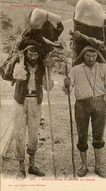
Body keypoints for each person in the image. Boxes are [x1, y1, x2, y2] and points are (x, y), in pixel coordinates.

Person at [63, 46, 106, 178]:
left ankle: (98, 166)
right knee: (82, 135)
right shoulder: (75, 70)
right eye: (88, 56)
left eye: (94, 56)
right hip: (81, 105)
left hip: (100, 104)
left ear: (97, 55)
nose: (91, 59)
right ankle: (84, 166)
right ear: (83, 55)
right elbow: (67, 90)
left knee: (98, 136)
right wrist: (66, 84)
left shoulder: (104, 68)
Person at [9, 44, 54, 179]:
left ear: (39, 55)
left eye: (35, 54)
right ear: (26, 54)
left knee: (33, 134)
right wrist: (22, 59)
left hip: (35, 101)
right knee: (19, 133)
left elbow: (48, 87)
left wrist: (48, 69)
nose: (33, 57)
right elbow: (18, 76)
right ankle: (21, 168)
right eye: (30, 54)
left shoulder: (42, 66)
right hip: (20, 101)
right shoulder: (20, 64)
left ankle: (32, 166)